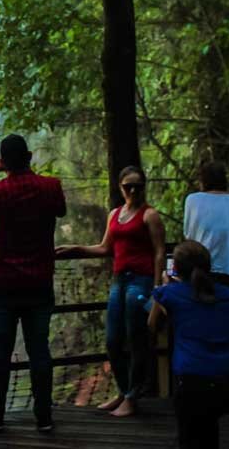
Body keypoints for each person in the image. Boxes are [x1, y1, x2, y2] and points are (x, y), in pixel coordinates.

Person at [0, 134, 66, 433]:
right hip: (39, 280)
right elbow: (60, 210)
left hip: (4, 283)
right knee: (39, 349)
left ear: (4, 161)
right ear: (28, 156)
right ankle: (44, 417)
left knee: (0, 350)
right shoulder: (50, 187)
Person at [56, 165, 166, 417]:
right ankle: (123, 389)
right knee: (113, 340)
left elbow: (160, 252)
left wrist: (158, 292)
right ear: (120, 187)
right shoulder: (114, 214)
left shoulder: (150, 216)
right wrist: (77, 249)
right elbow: (106, 248)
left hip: (141, 281)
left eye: (138, 185)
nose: (133, 190)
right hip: (119, 281)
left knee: (136, 338)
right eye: (128, 186)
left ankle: (131, 396)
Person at [149, 241, 229, 449]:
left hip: (197, 384)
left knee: (192, 430)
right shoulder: (228, 295)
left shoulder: (169, 294)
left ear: (177, 268)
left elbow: (152, 325)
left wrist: (164, 287)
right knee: (207, 421)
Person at [183, 161, 229, 330]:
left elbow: (189, 235)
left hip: (206, 272)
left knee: (206, 326)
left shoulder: (194, 200)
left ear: (203, 181)